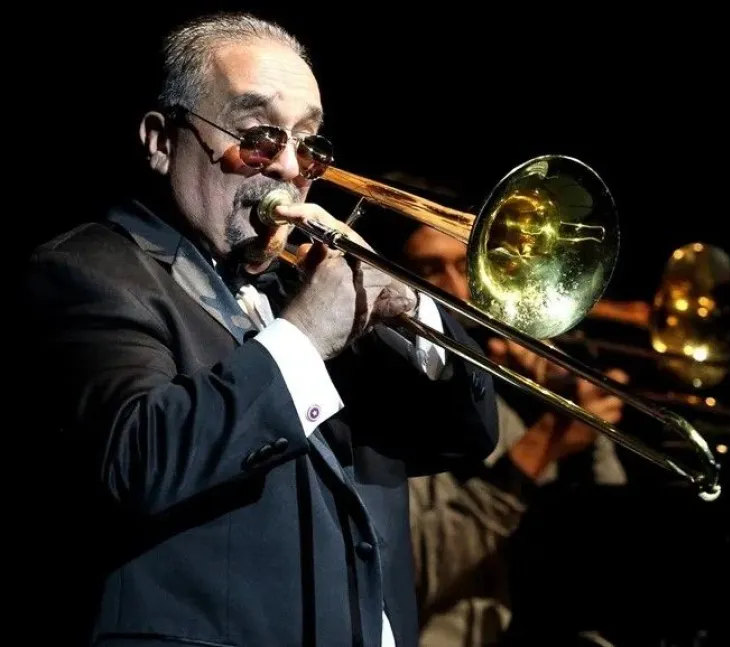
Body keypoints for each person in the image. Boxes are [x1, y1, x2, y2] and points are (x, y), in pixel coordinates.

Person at [18, 12, 498, 647]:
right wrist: (302, 340)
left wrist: (413, 312)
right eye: (259, 137)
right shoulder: (88, 271)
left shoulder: (301, 289)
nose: (289, 168)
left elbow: (464, 436)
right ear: (162, 141)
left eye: (309, 144)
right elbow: (134, 463)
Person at [361, 171, 631, 646]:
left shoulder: (507, 400)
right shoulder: (379, 398)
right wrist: (539, 446)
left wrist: (574, 408)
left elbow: (608, 531)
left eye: (465, 268)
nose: (458, 293)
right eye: (429, 270)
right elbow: (411, 570)